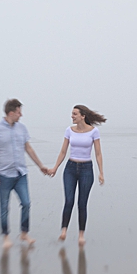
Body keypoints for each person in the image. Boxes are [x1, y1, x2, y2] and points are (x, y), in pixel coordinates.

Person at [0, 99, 49, 249]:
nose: (21, 115)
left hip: (21, 173)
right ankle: (6, 236)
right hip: (3, 175)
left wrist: (40, 166)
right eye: (19, 112)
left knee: (26, 203)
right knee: (4, 207)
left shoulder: (22, 128)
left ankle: (24, 233)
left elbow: (28, 148)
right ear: (11, 113)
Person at [48, 104, 105, 246]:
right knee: (68, 200)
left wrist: (101, 172)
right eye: (72, 114)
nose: (72, 116)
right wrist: (55, 167)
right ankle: (64, 231)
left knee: (82, 203)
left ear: (82, 116)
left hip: (86, 169)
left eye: (74, 114)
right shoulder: (69, 131)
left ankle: (81, 234)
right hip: (70, 168)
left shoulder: (94, 132)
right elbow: (63, 152)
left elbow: (98, 153)